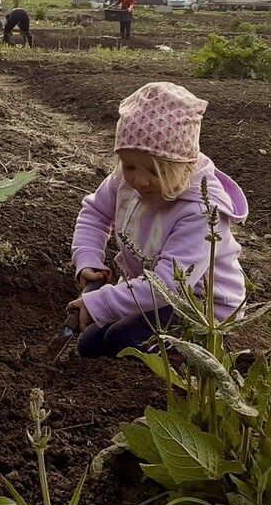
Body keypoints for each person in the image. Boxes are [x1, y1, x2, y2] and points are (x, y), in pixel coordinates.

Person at [67, 82, 248, 358]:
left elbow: (168, 285)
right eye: (128, 166)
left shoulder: (202, 213)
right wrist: (88, 260)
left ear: (183, 165)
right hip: (153, 294)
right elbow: (95, 214)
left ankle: (185, 357)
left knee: (120, 340)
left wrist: (101, 303)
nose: (139, 181)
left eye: (154, 170)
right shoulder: (123, 182)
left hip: (200, 308)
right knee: (90, 342)